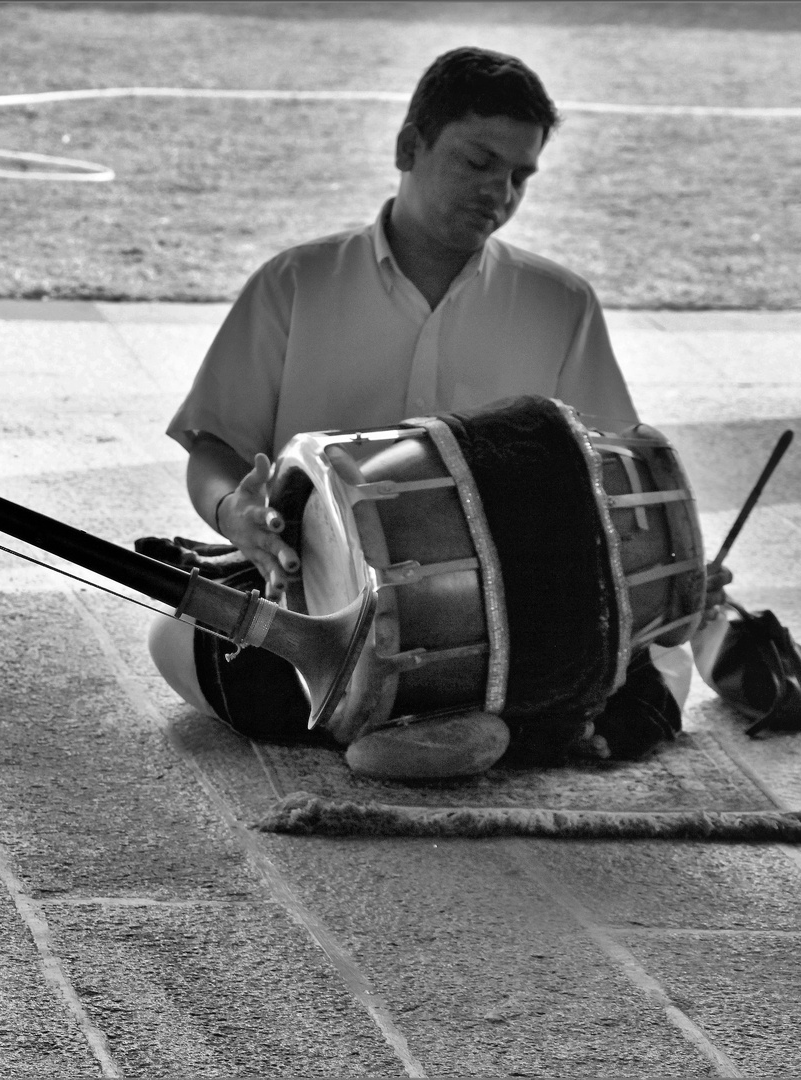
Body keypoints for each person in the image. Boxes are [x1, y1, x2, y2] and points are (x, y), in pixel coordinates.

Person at [148, 46, 715, 762]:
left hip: (505, 621)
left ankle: (417, 725)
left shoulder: (559, 303)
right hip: (319, 606)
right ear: (408, 146)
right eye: (479, 163)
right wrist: (236, 513)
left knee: (661, 655)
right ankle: (509, 732)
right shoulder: (296, 281)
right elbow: (212, 449)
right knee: (175, 634)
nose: (500, 193)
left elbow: (612, 480)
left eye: (520, 176)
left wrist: (670, 572)